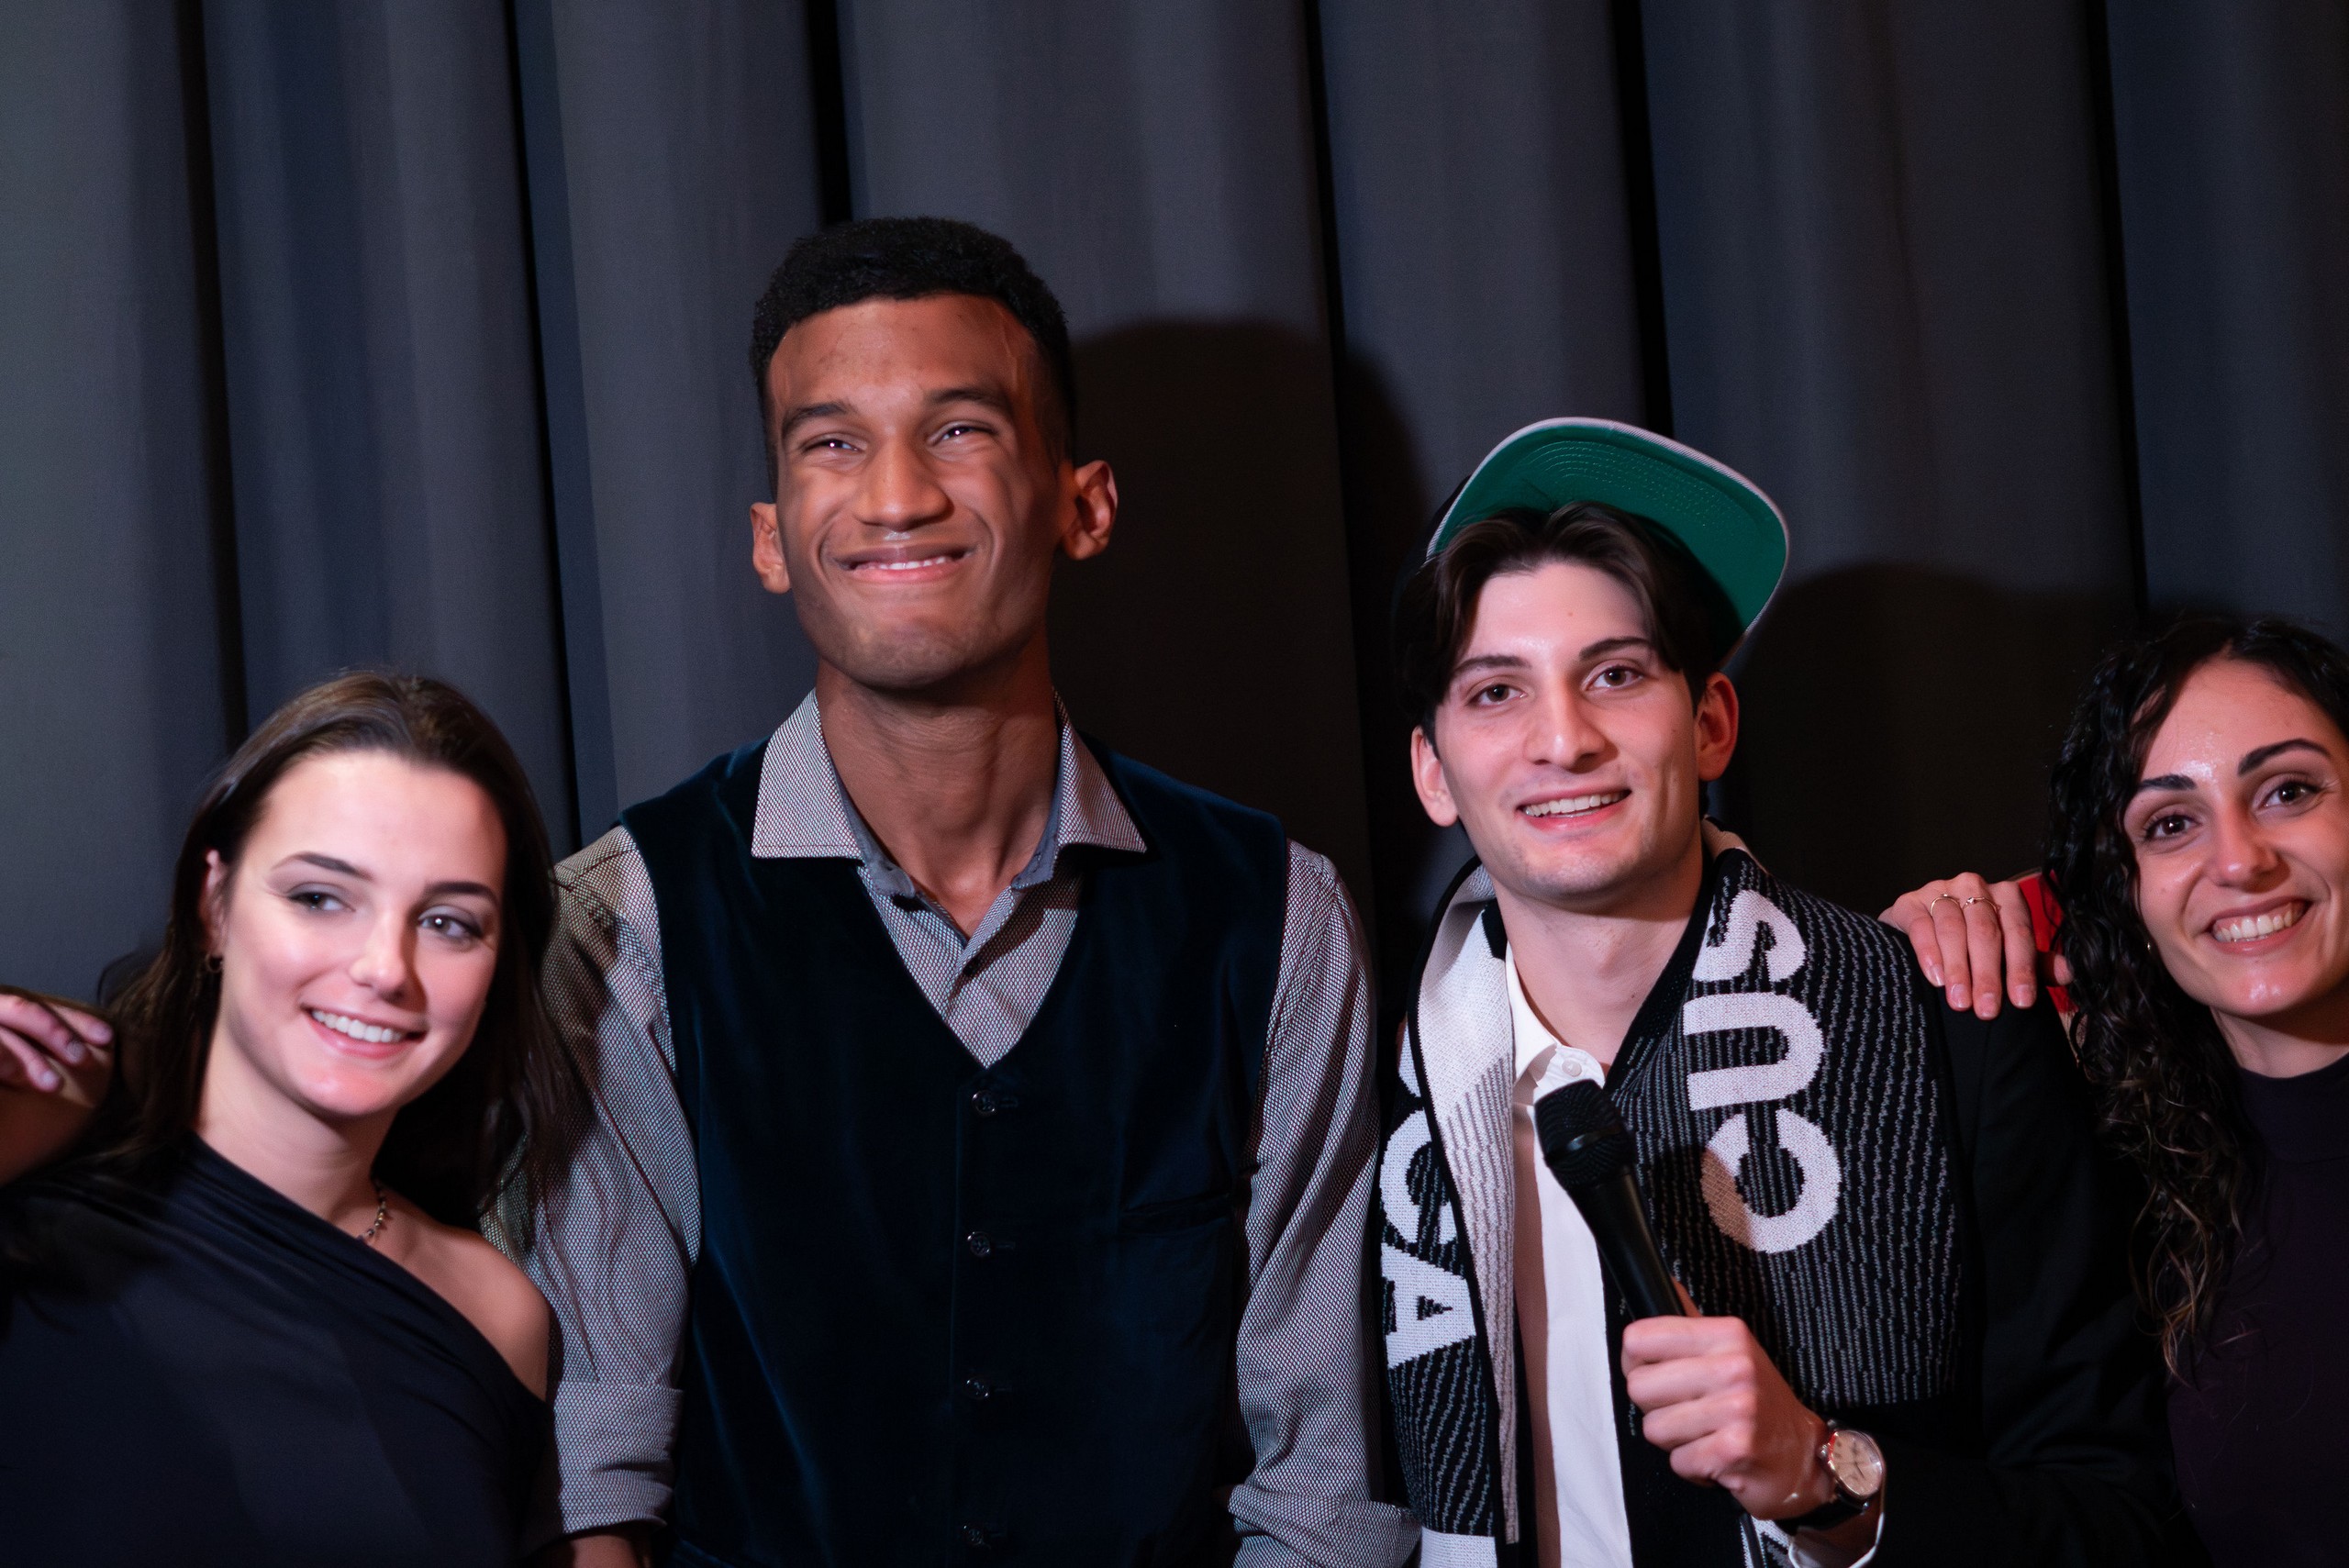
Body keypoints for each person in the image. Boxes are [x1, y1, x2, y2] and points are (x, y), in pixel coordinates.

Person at [526, 217, 1410, 1566]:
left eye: (957, 431)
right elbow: (599, 1474)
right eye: (832, 443)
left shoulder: (1277, 918)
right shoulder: (625, 921)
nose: (895, 496)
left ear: (1082, 503)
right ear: (771, 538)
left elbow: (1324, 1486)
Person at [1375, 418, 2199, 1567]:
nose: (1563, 738)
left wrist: (1828, 1477)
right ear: (1432, 770)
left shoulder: (1946, 1028)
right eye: (1496, 691)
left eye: (1614, 674)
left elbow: (2120, 1520)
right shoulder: (1383, 1101)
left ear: (1711, 722)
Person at [0, 671, 584, 1566]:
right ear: (214, 905)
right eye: (319, 896)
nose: (385, 967)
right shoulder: (46, 1104)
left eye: (448, 921)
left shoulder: (496, 1312)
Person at [1884, 614, 2349, 1568]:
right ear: (2124, 890)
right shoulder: (2130, 1190)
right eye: (2170, 823)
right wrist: (1898, 967)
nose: (2239, 861)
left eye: (2288, 790)